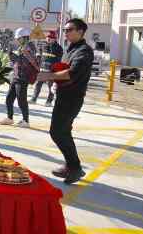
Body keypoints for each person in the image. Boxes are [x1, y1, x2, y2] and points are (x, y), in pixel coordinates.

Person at [36, 18, 94, 184]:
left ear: (81, 31)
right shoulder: (71, 49)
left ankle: (74, 168)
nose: (66, 32)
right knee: (63, 132)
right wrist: (56, 80)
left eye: (70, 29)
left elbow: (72, 73)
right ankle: (73, 166)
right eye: (65, 30)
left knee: (57, 132)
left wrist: (49, 76)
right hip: (63, 95)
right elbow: (64, 69)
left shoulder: (84, 51)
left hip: (72, 98)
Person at [0, 27, 39, 128]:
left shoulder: (30, 46)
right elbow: (17, 61)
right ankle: (9, 118)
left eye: (19, 38)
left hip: (23, 77)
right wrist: (10, 54)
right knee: (9, 98)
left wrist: (20, 54)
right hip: (16, 76)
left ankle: (26, 121)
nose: (17, 40)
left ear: (25, 37)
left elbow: (29, 61)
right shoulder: (21, 47)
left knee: (21, 100)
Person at [31, 30, 64, 106]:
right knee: (38, 85)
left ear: (55, 39)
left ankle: (49, 101)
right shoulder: (43, 46)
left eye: (51, 38)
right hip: (42, 70)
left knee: (51, 87)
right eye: (47, 37)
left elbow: (58, 60)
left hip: (51, 71)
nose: (48, 39)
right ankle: (34, 99)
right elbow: (39, 56)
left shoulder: (58, 48)